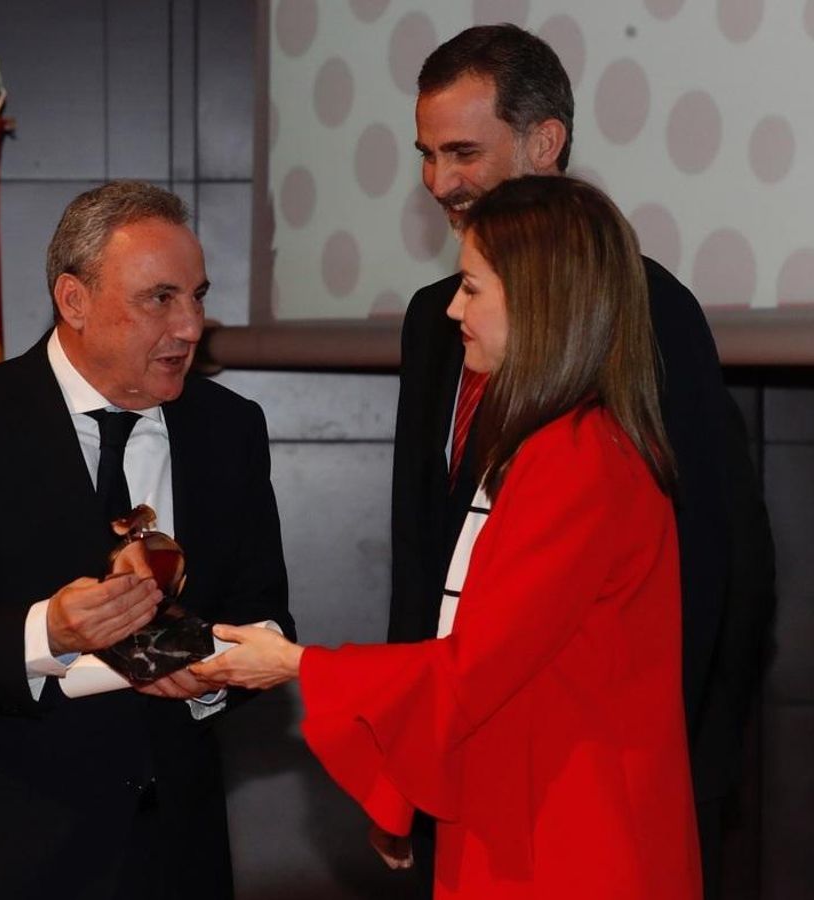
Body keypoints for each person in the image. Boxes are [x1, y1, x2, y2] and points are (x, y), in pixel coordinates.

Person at [196, 174, 701, 899]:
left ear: (538, 300)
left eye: (472, 287)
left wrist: (298, 664)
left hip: (567, 839)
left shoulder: (579, 459)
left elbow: (475, 668)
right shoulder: (546, 441)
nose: (454, 309)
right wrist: (401, 788)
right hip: (520, 811)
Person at [386, 24, 776, 895]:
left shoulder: (649, 311)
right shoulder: (432, 318)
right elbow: (424, 556)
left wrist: (683, 777)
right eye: (425, 154)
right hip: (459, 773)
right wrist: (405, 761)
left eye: (462, 151)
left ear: (545, 143)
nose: (439, 181)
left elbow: (722, 566)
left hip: (593, 795)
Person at [0, 180, 293, 899]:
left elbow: (263, 614)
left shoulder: (230, 429)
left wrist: (210, 681)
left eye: (197, 296)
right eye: (161, 298)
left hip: (174, 856)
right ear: (75, 301)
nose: (190, 326)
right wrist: (48, 632)